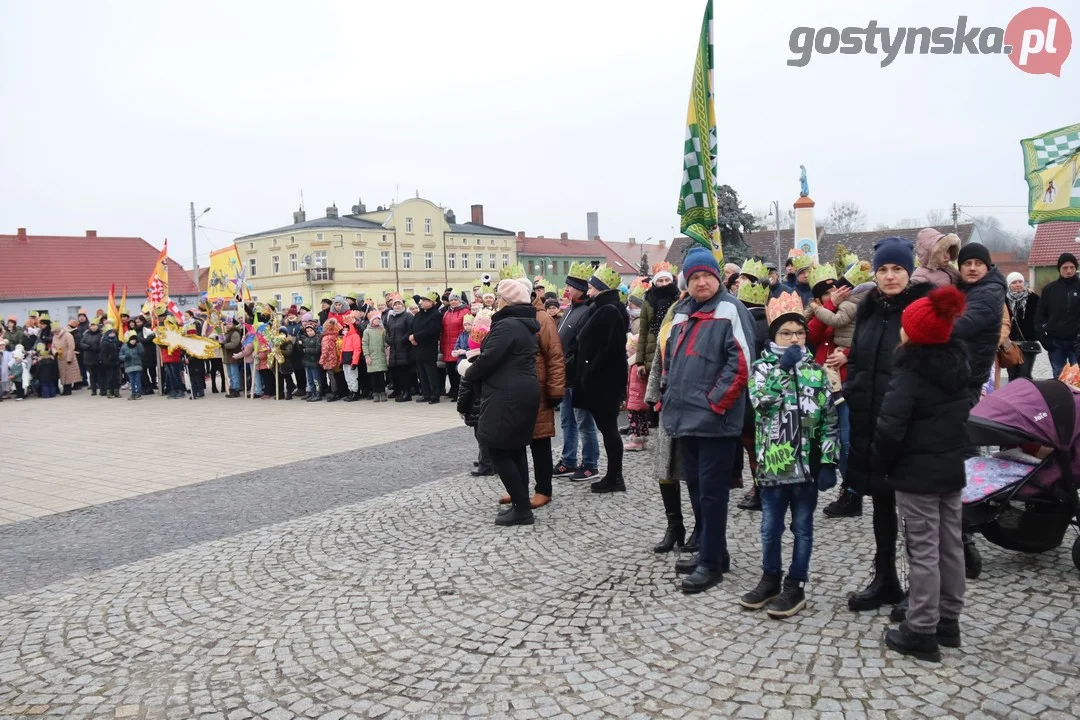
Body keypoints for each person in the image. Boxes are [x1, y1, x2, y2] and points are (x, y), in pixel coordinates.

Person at [876, 286, 970, 662]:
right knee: (950, 545)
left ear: (914, 333)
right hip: (949, 470)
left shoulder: (909, 373)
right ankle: (949, 619)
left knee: (923, 550)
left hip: (916, 475)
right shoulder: (956, 366)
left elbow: (890, 427)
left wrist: (881, 465)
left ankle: (921, 628)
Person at [661, 248, 755, 594]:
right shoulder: (683, 312)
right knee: (698, 491)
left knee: (713, 495)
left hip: (715, 420)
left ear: (717, 278)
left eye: (708, 276)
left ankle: (711, 564)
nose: (702, 282)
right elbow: (672, 359)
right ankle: (715, 551)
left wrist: (716, 403)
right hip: (685, 417)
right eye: (695, 277)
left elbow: (741, 362)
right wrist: (669, 395)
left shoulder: (731, 309)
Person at [846, 237, 932, 612]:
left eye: (897, 268)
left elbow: (932, 371)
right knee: (881, 506)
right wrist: (846, 382)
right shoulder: (868, 310)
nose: (890, 275)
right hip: (872, 423)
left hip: (909, 426)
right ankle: (885, 579)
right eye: (883, 269)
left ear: (909, 271)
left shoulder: (922, 310)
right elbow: (862, 364)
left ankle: (921, 592)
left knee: (916, 514)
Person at [740, 291, 838, 618]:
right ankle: (770, 577)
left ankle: (795, 584)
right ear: (774, 335)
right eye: (786, 333)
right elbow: (762, 404)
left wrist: (827, 459)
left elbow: (828, 418)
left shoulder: (816, 372)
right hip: (773, 464)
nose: (794, 338)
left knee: (803, 526)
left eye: (799, 332)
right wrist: (783, 371)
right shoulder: (761, 368)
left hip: (806, 467)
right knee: (770, 527)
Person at [461, 279, 541, 526]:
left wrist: (466, 370)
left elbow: (489, 359)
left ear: (506, 300)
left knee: (496, 447)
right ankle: (520, 503)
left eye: (498, 297)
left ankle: (522, 509)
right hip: (521, 390)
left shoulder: (507, 326)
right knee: (514, 448)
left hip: (506, 393)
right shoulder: (524, 324)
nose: (495, 301)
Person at [573, 265, 631, 493]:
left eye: (590, 286)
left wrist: (589, 370)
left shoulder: (609, 310)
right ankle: (613, 475)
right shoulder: (603, 307)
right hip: (601, 379)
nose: (587, 290)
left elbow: (609, 348)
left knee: (609, 429)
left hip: (604, 381)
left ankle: (615, 477)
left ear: (600, 288)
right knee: (607, 428)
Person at [554, 264, 601, 481]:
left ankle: (590, 463)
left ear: (580, 289)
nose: (566, 289)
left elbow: (581, 347)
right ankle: (569, 460)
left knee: (584, 423)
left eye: (570, 286)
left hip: (577, 376)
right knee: (567, 422)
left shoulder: (587, 311)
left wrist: (566, 362)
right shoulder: (570, 309)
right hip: (564, 376)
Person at [950, 243, 1006, 405]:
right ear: (960, 268)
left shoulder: (990, 291)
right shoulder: (969, 288)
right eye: (967, 264)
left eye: (978, 263)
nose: (973, 268)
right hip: (962, 372)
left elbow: (963, 324)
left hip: (970, 375)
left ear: (987, 267)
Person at [1034, 252, 1080, 378]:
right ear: (1059, 269)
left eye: (1072, 267)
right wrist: (1044, 339)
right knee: (1059, 378)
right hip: (1055, 343)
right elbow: (1039, 316)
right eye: (1065, 268)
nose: (1069, 271)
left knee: (1077, 378)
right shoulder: (1050, 289)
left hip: (1076, 343)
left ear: (1076, 268)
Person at [1005, 272, 1040, 381]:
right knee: (1012, 374)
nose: (1018, 284)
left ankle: (1026, 396)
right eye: (1014, 282)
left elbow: (1041, 317)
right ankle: (1012, 397)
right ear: (1009, 285)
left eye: (1020, 281)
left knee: (1025, 374)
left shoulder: (1033, 298)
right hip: (1010, 344)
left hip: (1028, 342)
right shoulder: (1003, 300)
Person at [410, 292, 444, 404]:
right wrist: (412, 337)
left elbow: (432, 330)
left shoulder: (435, 315)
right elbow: (413, 327)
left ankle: (435, 394)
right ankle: (426, 393)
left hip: (428, 346)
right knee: (421, 372)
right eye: (422, 300)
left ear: (432, 303)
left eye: (425, 301)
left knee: (430, 372)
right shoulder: (419, 314)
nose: (422, 302)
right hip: (417, 346)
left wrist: (416, 336)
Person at [440, 293, 470, 400]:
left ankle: (458, 392)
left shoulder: (465, 311)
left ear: (460, 301)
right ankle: (453, 389)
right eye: (451, 300)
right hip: (448, 344)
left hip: (459, 344)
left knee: (458, 370)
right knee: (450, 369)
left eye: (455, 300)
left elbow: (467, 327)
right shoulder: (447, 312)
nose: (453, 302)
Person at [385, 297, 415, 402]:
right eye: (395, 304)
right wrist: (388, 339)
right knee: (396, 372)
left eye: (399, 304)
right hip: (394, 349)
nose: (397, 306)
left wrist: (403, 339)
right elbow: (388, 330)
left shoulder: (408, 316)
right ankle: (399, 391)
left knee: (404, 372)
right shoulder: (391, 317)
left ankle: (407, 393)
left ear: (403, 305)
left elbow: (411, 330)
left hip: (404, 348)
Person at [624, 334, 649, 451]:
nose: (627, 354)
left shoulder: (635, 366)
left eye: (629, 351)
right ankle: (643, 438)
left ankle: (636, 439)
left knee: (633, 419)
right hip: (640, 399)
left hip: (636, 399)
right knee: (642, 418)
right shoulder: (639, 364)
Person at [363, 312, 389, 402]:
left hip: (381, 355)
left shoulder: (382, 330)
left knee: (381, 376)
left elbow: (385, 342)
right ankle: (375, 393)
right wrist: (367, 355)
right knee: (373, 376)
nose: (377, 320)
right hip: (372, 356)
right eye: (375, 319)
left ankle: (382, 392)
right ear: (371, 321)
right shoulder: (367, 331)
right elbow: (365, 344)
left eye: (379, 319)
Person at [320, 318, 343, 401]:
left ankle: (334, 392)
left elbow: (325, 350)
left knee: (331, 377)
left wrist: (321, 360)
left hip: (328, 360)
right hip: (335, 359)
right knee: (336, 376)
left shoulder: (326, 338)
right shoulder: (336, 336)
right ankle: (338, 391)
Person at [341, 313, 363, 402]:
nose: (345, 329)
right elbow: (342, 350)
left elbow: (357, 350)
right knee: (347, 377)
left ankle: (355, 392)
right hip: (345, 360)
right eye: (344, 328)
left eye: (347, 327)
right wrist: (341, 361)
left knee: (353, 377)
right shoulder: (345, 337)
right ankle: (350, 391)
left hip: (351, 360)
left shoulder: (355, 336)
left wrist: (355, 362)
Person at [79, 318, 103, 396]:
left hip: (97, 357)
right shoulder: (86, 334)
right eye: (92, 326)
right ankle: (93, 390)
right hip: (88, 357)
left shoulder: (100, 334)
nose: (93, 327)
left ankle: (102, 389)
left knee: (99, 375)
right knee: (92, 375)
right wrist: (87, 347)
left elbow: (100, 345)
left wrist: (94, 347)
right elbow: (81, 343)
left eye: (94, 325)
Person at [53, 324, 79, 395]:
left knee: (69, 374)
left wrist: (69, 358)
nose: (55, 334)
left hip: (67, 356)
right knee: (63, 374)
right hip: (60, 357)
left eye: (56, 332)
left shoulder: (67, 335)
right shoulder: (55, 336)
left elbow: (71, 347)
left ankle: (68, 389)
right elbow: (53, 346)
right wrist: (55, 352)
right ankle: (65, 388)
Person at [300, 321, 323, 401]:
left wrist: (306, 350)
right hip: (307, 362)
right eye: (307, 331)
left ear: (314, 330)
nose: (309, 332)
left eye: (311, 330)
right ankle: (312, 393)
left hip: (314, 362)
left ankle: (318, 393)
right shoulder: (306, 339)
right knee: (310, 379)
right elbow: (302, 348)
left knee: (316, 379)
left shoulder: (317, 338)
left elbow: (317, 350)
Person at [221, 317, 244, 398]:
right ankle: (231, 388)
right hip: (227, 357)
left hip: (233, 356)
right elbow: (222, 342)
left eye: (230, 324)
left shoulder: (235, 333)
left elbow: (234, 344)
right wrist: (220, 342)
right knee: (230, 374)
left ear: (233, 324)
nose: (228, 325)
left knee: (234, 374)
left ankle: (236, 389)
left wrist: (224, 345)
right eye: (227, 324)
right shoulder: (226, 333)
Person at [98, 326, 122, 399]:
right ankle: (109, 391)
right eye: (110, 333)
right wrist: (107, 361)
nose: (112, 334)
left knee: (117, 377)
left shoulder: (116, 341)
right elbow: (103, 354)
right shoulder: (105, 342)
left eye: (113, 333)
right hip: (109, 363)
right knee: (110, 377)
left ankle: (116, 391)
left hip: (116, 362)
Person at [119, 332, 144, 399]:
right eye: (132, 339)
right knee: (131, 380)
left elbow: (141, 352)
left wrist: (139, 344)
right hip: (128, 366)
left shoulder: (138, 345)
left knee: (137, 380)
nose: (133, 341)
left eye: (134, 339)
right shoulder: (124, 346)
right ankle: (133, 393)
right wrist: (125, 357)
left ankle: (138, 392)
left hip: (137, 365)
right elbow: (120, 355)